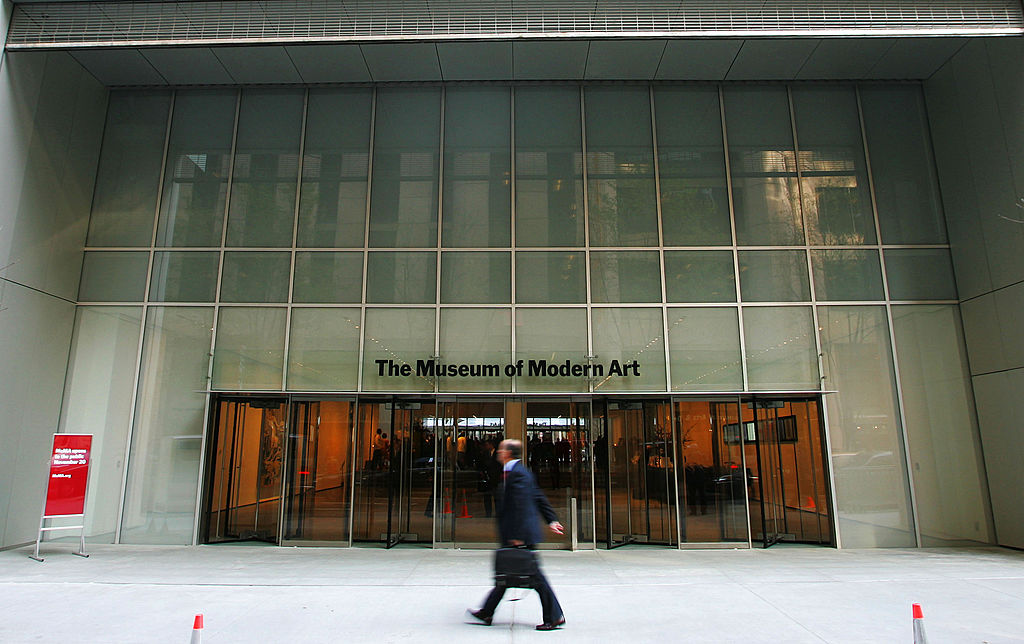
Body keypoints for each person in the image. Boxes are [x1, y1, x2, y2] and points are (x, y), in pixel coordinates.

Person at [467, 439, 566, 631]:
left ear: (508, 453)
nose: (498, 451)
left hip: (520, 534)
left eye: (502, 448)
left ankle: (554, 617)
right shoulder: (517, 472)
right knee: (505, 575)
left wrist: (518, 535)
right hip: (517, 532)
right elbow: (538, 496)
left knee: (534, 578)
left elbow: (520, 505)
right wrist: (551, 519)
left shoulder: (519, 474)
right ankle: (487, 612)